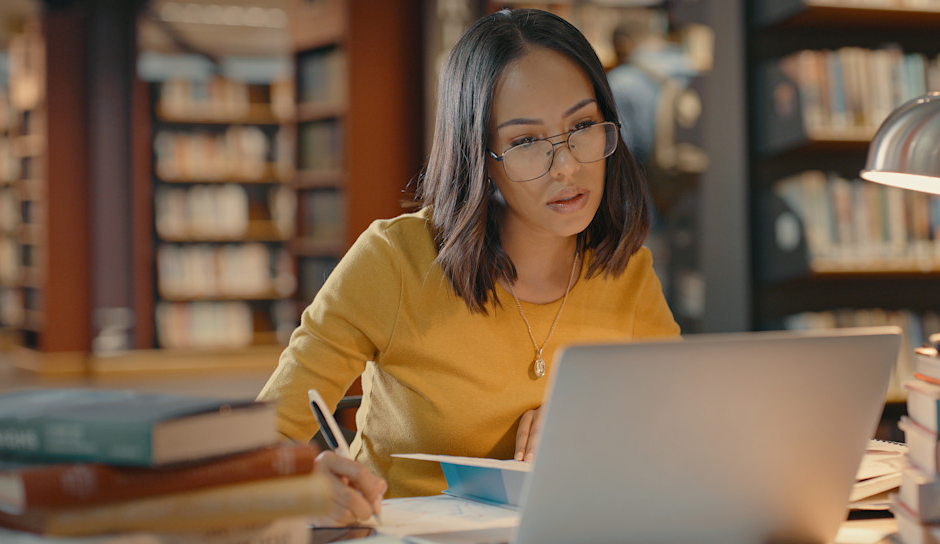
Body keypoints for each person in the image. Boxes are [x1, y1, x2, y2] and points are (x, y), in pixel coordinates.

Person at [256, 8, 681, 526]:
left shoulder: (627, 271)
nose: (567, 165)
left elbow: (677, 435)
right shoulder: (394, 262)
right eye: (526, 141)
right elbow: (261, 445)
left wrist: (597, 428)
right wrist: (299, 479)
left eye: (583, 125)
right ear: (477, 155)